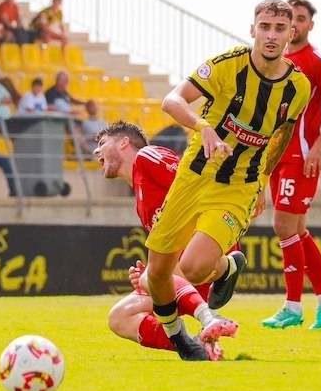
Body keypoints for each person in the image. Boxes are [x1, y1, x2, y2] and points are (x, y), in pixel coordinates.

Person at [143, 0, 310, 359]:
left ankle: (225, 266)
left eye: (280, 29)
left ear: (291, 33)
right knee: (158, 273)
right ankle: (179, 338)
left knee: (191, 267)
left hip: (238, 187)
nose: (271, 35)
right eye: (264, 27)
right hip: (194, 177)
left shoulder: (298, 88)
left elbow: (280, 136)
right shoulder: (226, 66)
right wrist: (202, 127)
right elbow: (172, 100)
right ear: (252, 30)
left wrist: (264, 178)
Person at [93, 121, 239, 361]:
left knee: (152, 277)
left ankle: (212, 310)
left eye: (102, 144)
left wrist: (153, 274)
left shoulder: (148, 157)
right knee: (119, 317)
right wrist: (150, 273)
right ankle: (196, 346)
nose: (96, 151)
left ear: (123, 142)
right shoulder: (141, 200)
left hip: (205, 249)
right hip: (186, 270)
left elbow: (193, 182)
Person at [261, 0, 321, 330]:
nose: (294, 24)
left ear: (310, 24)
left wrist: (319, 146)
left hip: (300, 156)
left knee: (284, 226)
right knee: (296, 230)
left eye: (300, 18)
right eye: (289, 19)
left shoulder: (317, 63)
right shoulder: (275, 60)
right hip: (276, 155)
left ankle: (293, 307)